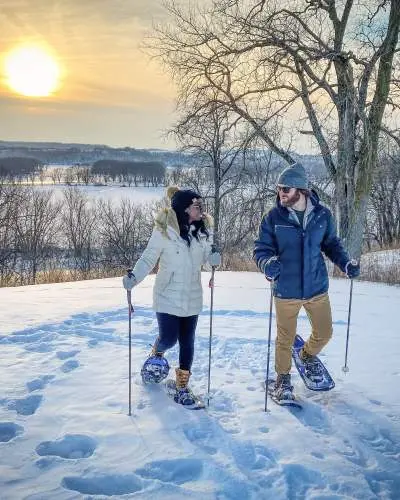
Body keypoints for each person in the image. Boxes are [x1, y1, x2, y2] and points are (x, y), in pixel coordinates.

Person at [254, 162, 360, 401]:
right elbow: (261, 248)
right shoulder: (272, 217)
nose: (281, 192)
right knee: (284, 338)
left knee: (324, 332)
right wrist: (267, 263)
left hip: (316, 287)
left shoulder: (322, 215)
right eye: (280, 188)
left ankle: (306, 355)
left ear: (301, 190)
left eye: (287, 188)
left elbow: (332, 245)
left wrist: (345, 264)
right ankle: (283, 379)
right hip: (286, 289)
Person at [122, 186, 221, 406]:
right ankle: (157, 351)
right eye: (197, 205)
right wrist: (134, 278)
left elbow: (206, 260)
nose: (201, 208)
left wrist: (213, 259)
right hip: (167, 294)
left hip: (192, 295)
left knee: (188, 341)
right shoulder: (164, 231)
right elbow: (149, 258)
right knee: (170, 338)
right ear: (184, 209)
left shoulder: (203, 230)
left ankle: (182, 386)